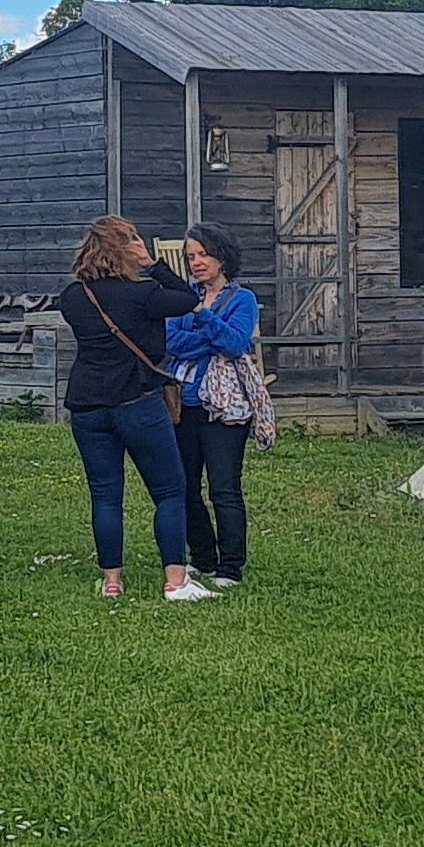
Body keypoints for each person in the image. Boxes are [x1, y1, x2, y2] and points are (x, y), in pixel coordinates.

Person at [55, 215, 207, 601]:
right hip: (137, 401)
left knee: (105, 494)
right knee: (170, 490)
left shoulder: (74, 296)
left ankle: (112, 581)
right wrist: (154, 264)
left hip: (87, 404)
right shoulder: (144, 293)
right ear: (126, 248)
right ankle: (175, 579)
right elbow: (189, 299)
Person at [165, 222, 260, 590]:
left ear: (222, 256)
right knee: (185, 487)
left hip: (223, 409)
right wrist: (209, 336)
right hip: (183, 403)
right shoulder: (182, 296)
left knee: (224, 488)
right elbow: (171, 340)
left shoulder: (242, 299)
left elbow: (236, 343)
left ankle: (231, 567)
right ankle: (203, 558)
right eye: (191, 256)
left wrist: (203, 318)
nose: (197, 262)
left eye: (203, 254)